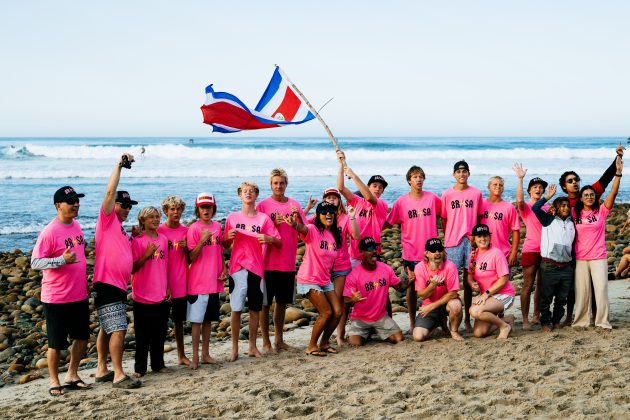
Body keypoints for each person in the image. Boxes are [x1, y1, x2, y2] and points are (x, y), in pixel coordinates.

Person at [31, 186, 90, 396]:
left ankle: (72, 374)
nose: (76, 204)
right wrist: (60, 260)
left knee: (82, 337)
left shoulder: (77, 226)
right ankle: (54, 381)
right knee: (56, 343)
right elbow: (35, 262)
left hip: (78, 294)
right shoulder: (49, 232)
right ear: (58, 206)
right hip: (56, 297)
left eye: (77, 200)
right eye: (71, 201)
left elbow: (79, 257)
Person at [93, 154, 141, 389]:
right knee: (119, 329)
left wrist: (137, 238)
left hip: (117, 285)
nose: (127, 209)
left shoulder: (122, 230)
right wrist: (118, 165)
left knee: (107, 326)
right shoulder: (107, 220)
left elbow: (129, 260)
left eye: (130, 206)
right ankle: (119, 374)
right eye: (125, 205)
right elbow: (110, 193)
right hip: (107, 283)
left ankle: (102, 368)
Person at [223, 181, 281, 362]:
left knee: (255, 309)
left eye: (252, 191)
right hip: (237, 268)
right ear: (240, 195)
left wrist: (269, 238)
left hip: (256, 268)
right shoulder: (232, 218)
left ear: (256, 196)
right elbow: (224, 245)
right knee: (236, 309)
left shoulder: (263, 219)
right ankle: (234, 349)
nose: (248, 194)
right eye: (244, 191)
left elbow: (278, 241)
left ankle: (252, 346)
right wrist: (227, 238)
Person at [384, 165, 441, 330]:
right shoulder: (401, 201)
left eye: (421, 176)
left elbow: (446, 214)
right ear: (409, 180)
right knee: (411, 288)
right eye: (415, 177)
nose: (419, 179)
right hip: (411, 252)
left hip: (430, 252)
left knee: (433, 285)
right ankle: (411, 321)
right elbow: (388, 222)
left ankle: (434, 319)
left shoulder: (432, 198)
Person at [256, 169, 306, 353]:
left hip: (287, 261)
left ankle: (279, 340)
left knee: (282, 303)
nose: (279, 186)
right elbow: (256, 231)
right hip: (267, 261)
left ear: (286, 184)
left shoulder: (294, 204)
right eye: (275, 183)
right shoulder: (262, 205)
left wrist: (298, 219)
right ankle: (266, 342)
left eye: (282, 183)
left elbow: (303, 232)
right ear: (271, 185)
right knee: (265, 303)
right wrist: (271, 223)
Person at [572, 157, 623, 330]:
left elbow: (613, 194)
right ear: (581, 198)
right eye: (585, 195)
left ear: (595, 197)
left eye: (592, 195)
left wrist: (618, 174)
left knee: (600, 291)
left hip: (598, 257)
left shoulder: (601, 212)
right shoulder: (574, 214)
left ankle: (602, 322)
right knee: (582, 293)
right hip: (580, 258)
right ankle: (581, 322)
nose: (589, 197)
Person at [305, 187, 360, 346]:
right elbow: (300, 226)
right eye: (328, 198)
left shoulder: (344, 217)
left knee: (339, 304)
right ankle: (322, 338)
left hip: (341, 266)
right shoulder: (318, 216)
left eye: (334, 198)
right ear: (323, 201)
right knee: (327, 308)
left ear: (339, 200)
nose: (331, 200)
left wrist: (353, 217)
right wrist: (308, 208)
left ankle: (339, 335)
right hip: (321, 268)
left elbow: (356, 236)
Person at [287, 202, 342, 356]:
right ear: (318, 216)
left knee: (338, 312)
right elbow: (301, 228)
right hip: (309, 279)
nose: (328, 214)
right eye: (324, 212)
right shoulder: (313, 230)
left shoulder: (334, 235)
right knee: (326, 312)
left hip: (325, 280)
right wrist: (294, 224)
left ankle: (324, 343)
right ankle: (311, 346)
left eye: (331, 211)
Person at [441, 160, 483, 331]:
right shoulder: (447, 194)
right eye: (458, 172)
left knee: (468, 280)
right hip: (453, 242)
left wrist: (476, 237)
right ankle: (448, 319)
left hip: (471, 241)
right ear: (454, 174)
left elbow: (480, 217)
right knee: (449, 282)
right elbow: (443, 218)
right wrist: (448, 235)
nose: (461, 174)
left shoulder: (476, 193)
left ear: (468, 174)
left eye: (464, 171)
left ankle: (467, 319)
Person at [187, 193, 227, 369]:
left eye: (208, 207)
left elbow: (219, 251)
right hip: (198, 283)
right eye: (202, 207)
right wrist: (202, 240)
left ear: (213, 209)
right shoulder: (194, 229)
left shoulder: (218, 226)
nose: (206, 210)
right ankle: (194, 357)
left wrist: (224, 268)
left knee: (209, 321)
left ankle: (205, 354)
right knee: (196, 322)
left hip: (214, 281)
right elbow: (190, 257)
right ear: (198, 209)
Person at [343, 237, 406, 346]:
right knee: (355, 343)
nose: (374, 251)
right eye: (369, 249)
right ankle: (370, 330)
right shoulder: (354, 275)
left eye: (375, 248)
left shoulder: (385, 268)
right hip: (360, 319)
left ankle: (375, 329)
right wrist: (353, 300)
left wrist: (410, 280)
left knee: (399, 339)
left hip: (380, 317)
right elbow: (345, 299)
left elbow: (399, 287)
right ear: (361, 252)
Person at [131, 206, 170, 377]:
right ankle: (140, 368)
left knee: (159, 333)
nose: (155, 220)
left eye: (157, 216)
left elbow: (166, 266)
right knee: (142, 335)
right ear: (143, 221)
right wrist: (146, 255)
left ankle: (158, 364)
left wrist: (168, 286)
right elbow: (132, 268)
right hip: (142, 295)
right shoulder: (137, 241)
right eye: (151, 217)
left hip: (161, 293)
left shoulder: (163, 239)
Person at [531, 185, 576, 332]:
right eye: (562, 206)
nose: (566, 208)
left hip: (566, 266)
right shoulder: (548, 220)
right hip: (550, 265)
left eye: (567, 206)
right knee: (547, 297)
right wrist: (548, 197)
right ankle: (545, 323)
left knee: (562, 298)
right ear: (555, 208)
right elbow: (535, 208)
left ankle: (557, 321)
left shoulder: (571, 223)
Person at [336, 150, 388, 267]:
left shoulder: (382, 204)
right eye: (374, 186)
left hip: (372, 253)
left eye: (381, 187)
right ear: (368, 187)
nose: (378, 189)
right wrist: (341, 165)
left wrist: (353, 175)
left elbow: (369, 197)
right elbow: (341, 187)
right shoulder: (357, 201)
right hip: (354, 254)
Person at [513, 163, 548, 330]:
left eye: (541, 187)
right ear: (529, 191)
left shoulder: (548, 207)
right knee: (528, 285)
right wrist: (520, 179)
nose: (538, 189)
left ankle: (536, 315)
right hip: (531, 248)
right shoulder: (526, 207)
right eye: (534, 187)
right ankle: (525, 319)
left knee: (542, 285)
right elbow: (519, 200)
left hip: (547, 250)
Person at [157, 196, 190, 366]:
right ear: (165, 211)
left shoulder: (186, 231)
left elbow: (191, 258)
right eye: (172, 209)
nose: (176, 212)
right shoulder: (160, 231)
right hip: (162, 283)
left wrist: (186, 249)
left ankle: (181, 355)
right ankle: (158, 360)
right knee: (160, 323)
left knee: (179, 322)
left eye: (178, 209)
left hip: (181, 282)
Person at [410, 238, 464, 342]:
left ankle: (454, 331)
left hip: (444, 304)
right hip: (429, 306)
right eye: (433, 251)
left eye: (440, 250)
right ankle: (438, 322)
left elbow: (453, 293)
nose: (437, 253)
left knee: (456, 305)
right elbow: (422, 295)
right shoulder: (419, 268)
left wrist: (432, 306)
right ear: (427, 254)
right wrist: (432, 286)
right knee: (418, 337)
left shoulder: (450, 266)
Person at [467, 224, 515, 339]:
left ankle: (504, 326)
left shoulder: (496, 253)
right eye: (479, 236)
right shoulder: (474, 255)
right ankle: (507, 320)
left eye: (485, 236)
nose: (483, 239)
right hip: (489, 297)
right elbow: (470, 275)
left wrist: (485, 294)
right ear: (474, 239)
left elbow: (504, 278)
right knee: (479, 333)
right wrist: (471, 283)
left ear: (490, 237)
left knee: (474, 311)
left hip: (503, 294)